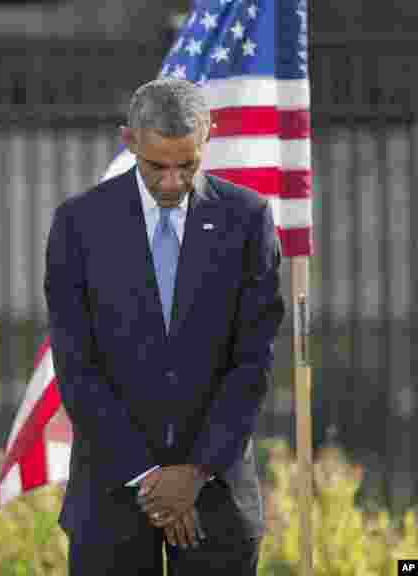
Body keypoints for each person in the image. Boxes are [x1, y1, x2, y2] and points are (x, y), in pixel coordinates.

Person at [44, 77, 285, 575]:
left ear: (208, 138)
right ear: (129, 140)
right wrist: (152, 477)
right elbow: (76, 365)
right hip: (111, 496)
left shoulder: (248, 219)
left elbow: (253, 360)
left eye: (187, 164)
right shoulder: (79, 224)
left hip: (216, 500)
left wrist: (194, 473)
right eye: (157, 166)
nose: (173, 181)